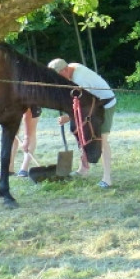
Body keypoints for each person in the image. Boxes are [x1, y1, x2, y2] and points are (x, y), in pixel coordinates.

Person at [48, 58, 117, 188]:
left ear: (65, 70)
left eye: (58, 76)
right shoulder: (72, 67)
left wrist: (67, 118)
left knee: (101, 140)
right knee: (81, 134)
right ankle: (83, 169)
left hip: (104, 104)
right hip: (93, 103)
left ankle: (107, 179)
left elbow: (86, 104)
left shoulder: (80, 80)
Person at [9, 107, 41, 177]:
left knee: (30, 133)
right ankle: (9, 167)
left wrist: (26, 138)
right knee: (11, 133)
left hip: (32, 103)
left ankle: (24, 169)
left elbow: (27, 114)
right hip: (13, 103)